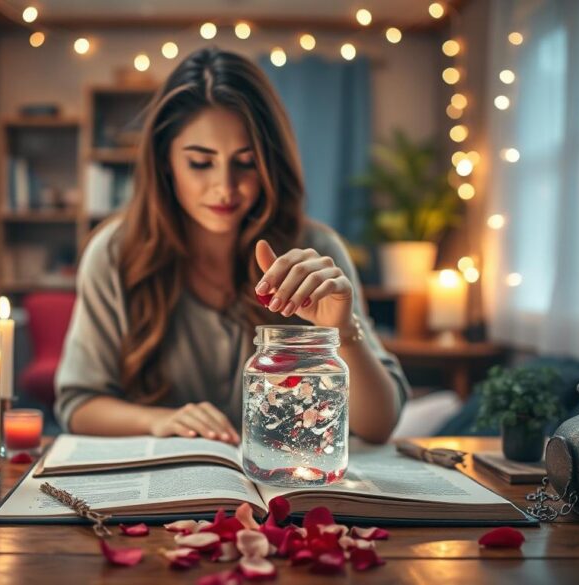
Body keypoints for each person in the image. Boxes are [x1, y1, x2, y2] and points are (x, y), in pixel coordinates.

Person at [55, 47, 409, 445]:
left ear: (269, 163)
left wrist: (342, 331)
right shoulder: (116, 253)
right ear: (166, 162)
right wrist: (158, 420)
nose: (225, 187)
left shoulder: (316, 251)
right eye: (201, 163)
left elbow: (380, 424)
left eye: (245, 161)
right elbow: (78, 405)